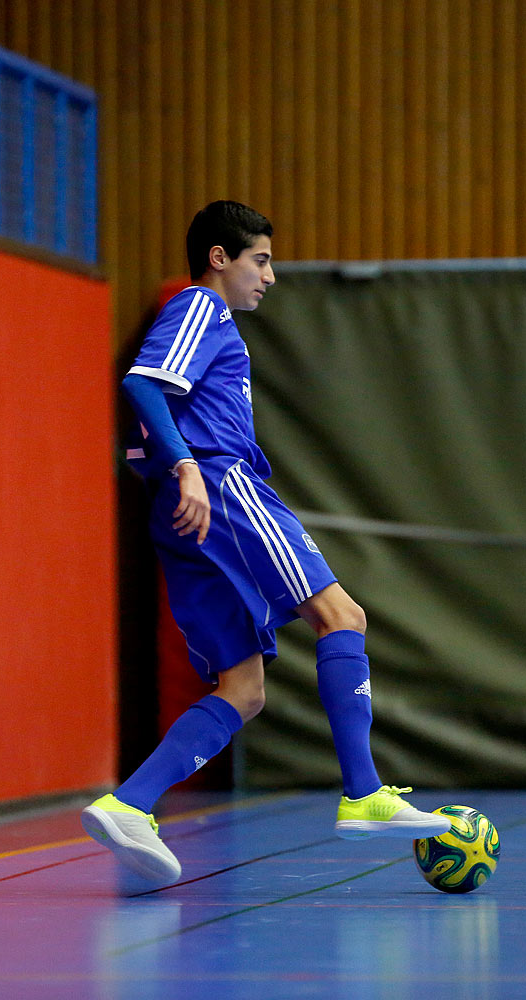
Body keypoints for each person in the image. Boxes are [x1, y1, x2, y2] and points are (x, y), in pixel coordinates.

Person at [82, 200, 450, 885]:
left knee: (243, 689)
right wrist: (190, 467)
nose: (271, 277)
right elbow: (143, 383)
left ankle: (128, 804)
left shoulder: (212, 322)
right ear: (220, 258)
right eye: (262, 259)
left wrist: (172, 474)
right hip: (221, 486)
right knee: (344, 616)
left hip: (182, 509)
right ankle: (365, 793)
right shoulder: (201, 307)